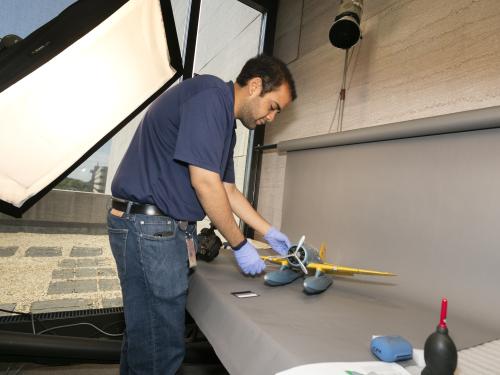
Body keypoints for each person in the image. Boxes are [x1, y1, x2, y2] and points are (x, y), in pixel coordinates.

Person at [107, 54, 297, 374]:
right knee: (161, 346)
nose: (272, 118)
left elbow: (228, 191)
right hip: (150, 226)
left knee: (147, 336)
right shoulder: (210, 98)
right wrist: (239, 245)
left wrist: (270, 232)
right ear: (254, 86)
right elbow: (206, 183)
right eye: (274, 106)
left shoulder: (226, 124)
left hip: (160, 228)